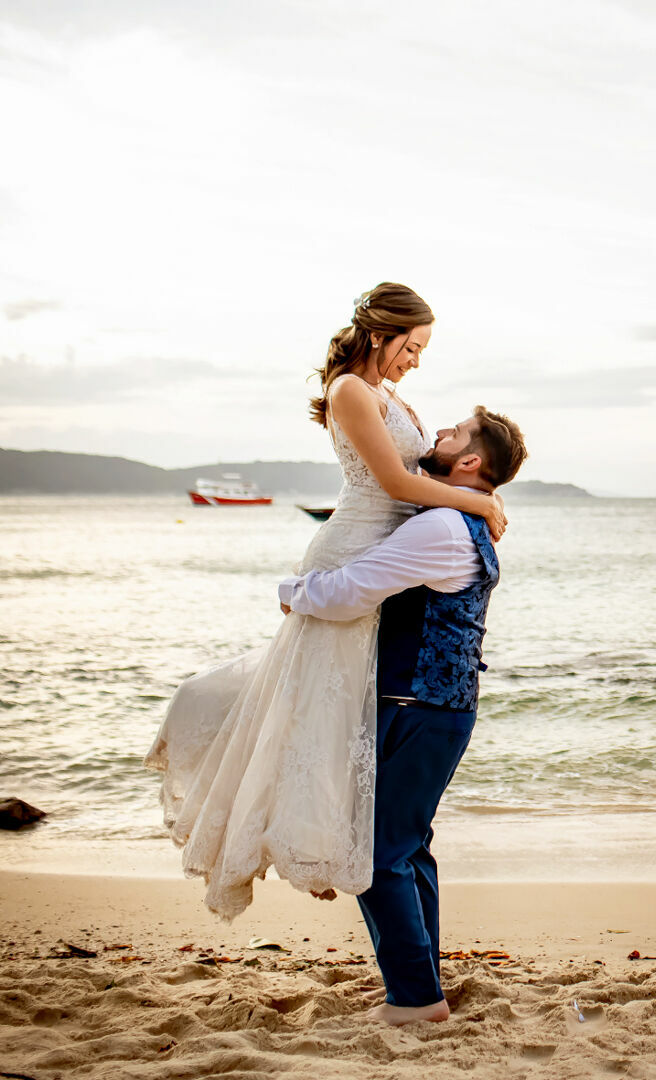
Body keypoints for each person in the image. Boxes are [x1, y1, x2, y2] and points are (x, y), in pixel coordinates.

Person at [145, 284, 505, 921]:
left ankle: (331, 843)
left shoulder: (390, 394)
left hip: (383, 554)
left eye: (422, 350)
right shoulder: (350, 390)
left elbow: (420, 478)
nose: (416, 360)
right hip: (351, 550)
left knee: (345, 714)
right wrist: (480, 501)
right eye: (412, 346)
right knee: (321, 711)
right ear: (380, 334)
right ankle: (313, 847)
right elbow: (395, 482)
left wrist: (474, 499)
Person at [278, 408, 526, 1025]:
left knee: (380, 852)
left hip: (417, 706)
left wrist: (292, 593)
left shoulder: (442, 526)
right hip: (439, 706)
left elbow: (352, 590)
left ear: (470, 461)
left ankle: (415, 1000)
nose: (438, 434)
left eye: (453, 434)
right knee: (408, 847)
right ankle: (420, 986)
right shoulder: (461, 519)